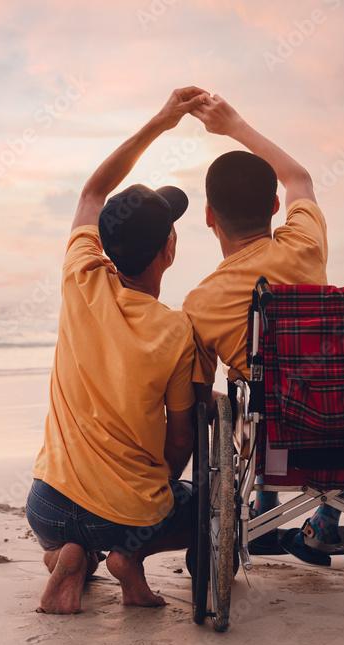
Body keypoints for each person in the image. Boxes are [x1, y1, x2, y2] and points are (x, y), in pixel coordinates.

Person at [26, 87, 208, 614]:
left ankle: (69, 555)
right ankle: (129, 559)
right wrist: (157, 490)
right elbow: (180, 440)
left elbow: (93, 189)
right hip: (129, 515)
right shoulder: (175, 332)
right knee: (200, 505)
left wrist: (159, 121)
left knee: (65, 528)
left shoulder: (81, 275)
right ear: (168, 250)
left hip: (48, 505)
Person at [183, 94, 344, 566]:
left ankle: (263, 503)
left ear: (209, 217)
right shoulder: (304, 245)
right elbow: (300, 178)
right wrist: (234, 125)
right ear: (276, 206)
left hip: (277, 433)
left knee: (249, 387)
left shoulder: (201, 304)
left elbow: (198, 399)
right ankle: (325, 522)